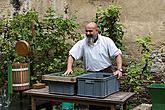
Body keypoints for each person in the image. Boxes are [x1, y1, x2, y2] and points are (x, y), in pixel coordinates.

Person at [64, 22, 123, 110]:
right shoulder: (82, 43)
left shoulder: (106, 41)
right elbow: (71, 54)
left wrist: (119, 69)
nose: (88, 33)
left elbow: (117, 54)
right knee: (93, 101)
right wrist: (69, 68)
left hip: (106, 73)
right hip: (90, 75)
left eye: (90, 31)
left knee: (107, 101)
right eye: (86, 31)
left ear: (97, 30)